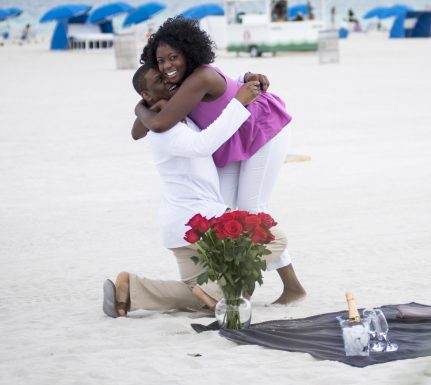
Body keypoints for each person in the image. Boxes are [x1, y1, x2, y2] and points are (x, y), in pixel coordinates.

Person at [105, 65, 304, 317]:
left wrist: (243, 79)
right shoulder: (166, 128)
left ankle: (132, 290)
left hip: (178, 229)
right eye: (159, 79)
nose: (168, 79)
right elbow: (204, 144)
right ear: (146, 95)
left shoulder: (171, 117)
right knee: (275, 239)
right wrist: (239, 103)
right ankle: (216, 292)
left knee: (195, 293)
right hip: (197, 223)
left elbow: (213, 90)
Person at [134, 17, 299, 295]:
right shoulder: (178, 83)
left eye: (173, 57)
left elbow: (158, 124)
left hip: (264, 129)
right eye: (161, 61)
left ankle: (289, 288)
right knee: (221, 209)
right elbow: (138, 131)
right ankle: (232, 286)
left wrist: (142, 106)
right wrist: (144, 104)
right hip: (235, 135)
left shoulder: (198, 78)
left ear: (189, 52)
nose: (167, 66)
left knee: (251, 207)